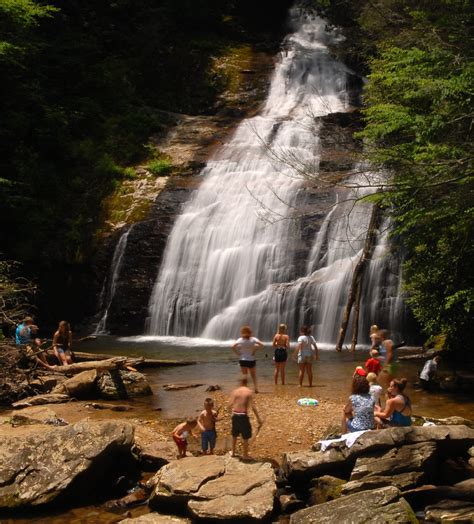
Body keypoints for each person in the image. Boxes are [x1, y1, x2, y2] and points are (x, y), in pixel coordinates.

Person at [229, 375, 262, 459]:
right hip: (243, 416)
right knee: (246, 436)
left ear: (240, 382)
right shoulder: (248, 391)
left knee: (234, 434)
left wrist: (231, 414)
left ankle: (233, 452)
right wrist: (258, 419)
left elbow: (230, 404)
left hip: (235, 415)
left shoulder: (235, 391)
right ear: (247, 382)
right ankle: (245, 455)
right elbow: (253, 407)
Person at [232, 326, 263, 393]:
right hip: (251, 359)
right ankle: (256, 389)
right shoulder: (253, 339)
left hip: (242, 359)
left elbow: (232, 346)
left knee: (244, 375)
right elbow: (261, 345)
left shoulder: (240, 340)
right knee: (253, 375)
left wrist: (238, 353)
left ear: (242, 333)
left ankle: (244, 390)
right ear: (250, 332)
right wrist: (255, 350)